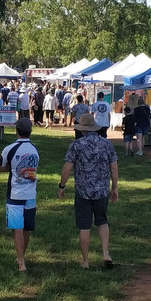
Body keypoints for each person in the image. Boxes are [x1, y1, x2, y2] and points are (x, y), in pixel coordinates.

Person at [58, 112, 119, 269]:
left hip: (83, 191)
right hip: (102, 190)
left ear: (83, 129)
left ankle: (85, 261)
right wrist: (115, 187)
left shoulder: (76, 145)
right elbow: (114, 165)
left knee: (84, 226)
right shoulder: (106, 144)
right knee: (102, 221)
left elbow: (67, 167)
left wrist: (62, 185)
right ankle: (105, 253)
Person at [0, 119, 40, 272]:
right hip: (30, 194)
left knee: (17, 228)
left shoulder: (9, 149)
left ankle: (21, 262)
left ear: (16, 130)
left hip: (15, 194)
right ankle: (21, 256)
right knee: (27, 228)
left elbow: (1, 167)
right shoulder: (35, 149)